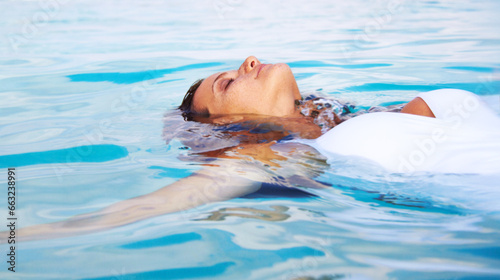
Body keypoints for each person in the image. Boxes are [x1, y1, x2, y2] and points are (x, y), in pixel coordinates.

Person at [4, 56, 499, 242]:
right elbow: (154, 205)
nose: (249, 60)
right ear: (230, 124)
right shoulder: (291, 158)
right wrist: (16, 237)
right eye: (227, 83)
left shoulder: (370, 115)